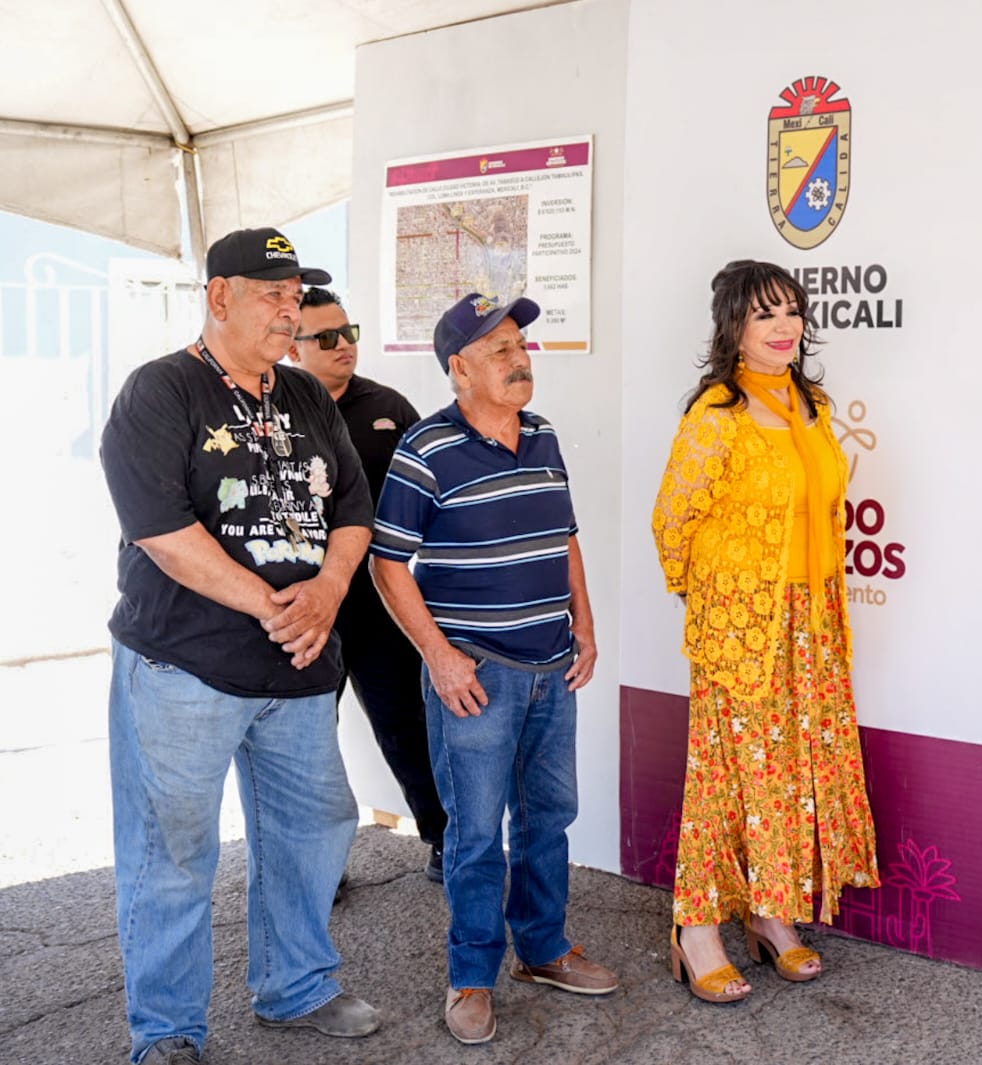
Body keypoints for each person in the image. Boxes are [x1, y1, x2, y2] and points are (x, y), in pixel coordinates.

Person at [100, 227, 380, 1065]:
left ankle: (296, 986)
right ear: (219, 296)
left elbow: (354, 510)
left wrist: (328, 590)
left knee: (311, 831)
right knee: (172, 850)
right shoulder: (160, 391)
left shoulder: (304, 396)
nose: (289, 312)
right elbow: (159, 529)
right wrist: (274, 605)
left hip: (296, 670)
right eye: (271, 295)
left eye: (296, 297)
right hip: (183, 666)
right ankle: (168, 1029)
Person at [370, 292, 617, 1045]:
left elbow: (564, 534)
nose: (520, 359)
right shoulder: (425, 448)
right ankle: (471, 974)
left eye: (521, 345)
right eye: (501, 348)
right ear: (459, 368)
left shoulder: (542, 435)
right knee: (476, 832)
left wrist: (584, 619)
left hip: (551, 666)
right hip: (477, 675)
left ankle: (542, 950)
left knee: (549, 816)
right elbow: (387, 564)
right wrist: (440, 657)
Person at [651, 259, 880, 1004]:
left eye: (791, 311)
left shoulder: (811, 403)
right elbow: (671, 522)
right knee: (725, 781)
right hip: (740, 628)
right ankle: (697, 930)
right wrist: (714, 602)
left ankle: (772, 915)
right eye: (764, 315)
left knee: (790, 779)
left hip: (812, 621)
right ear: (734, 330)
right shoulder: (715, 415)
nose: (783, 327)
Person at [290, 286, 446, 882]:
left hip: (380, 598)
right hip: (305, 603)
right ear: (292, 349)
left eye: (348, 332)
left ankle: (444, 842)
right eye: (325, 338)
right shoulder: (277, 413)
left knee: (407, 721)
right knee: (303, 739)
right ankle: (312, 869)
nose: (343, 347)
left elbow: (428, 494)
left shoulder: (388, 406)